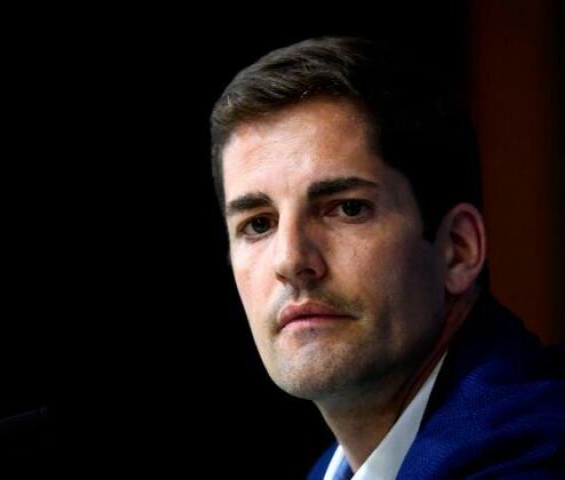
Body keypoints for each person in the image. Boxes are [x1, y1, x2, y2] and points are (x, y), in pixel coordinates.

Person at [210, 36, 564, 479]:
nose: (290, 260)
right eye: (258, 224)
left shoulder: (534, 455)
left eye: (347, 208)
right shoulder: (337, 468)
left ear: (457, 249)